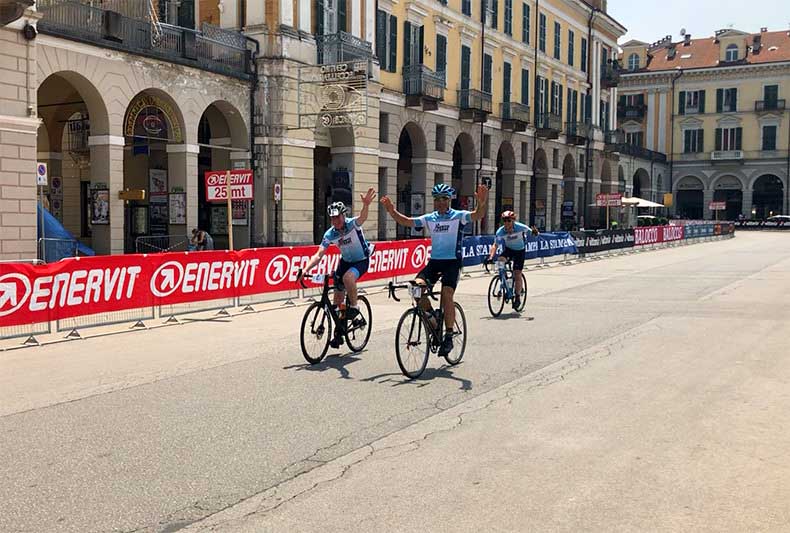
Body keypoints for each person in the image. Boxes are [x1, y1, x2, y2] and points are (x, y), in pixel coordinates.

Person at [381, 183, 488, 356]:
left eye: (444, 199)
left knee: (447, 294)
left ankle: (449, 335)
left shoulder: (458, 216)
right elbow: (407, 222)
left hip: (452, 263)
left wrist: (482, 203)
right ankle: (432, 316)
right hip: (435, 262)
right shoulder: (431, 218)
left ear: (449, 200)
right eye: (437, 199)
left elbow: (477, 215)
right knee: (416, 288)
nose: (440, 203)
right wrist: (392, 211)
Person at [298, 188, 377, 348]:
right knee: (337, 300)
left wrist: (366, 205)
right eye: (333, 218)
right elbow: (319, 254)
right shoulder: (330, 234)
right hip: (345, 261)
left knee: (348, 278)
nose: (336, 221)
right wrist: (305, 269)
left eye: (338, 217)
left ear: (344, 215)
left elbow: (362, 217)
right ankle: (339, 333)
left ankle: (354, 307)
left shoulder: (351, 224)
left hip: (361, 260)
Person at [486, 211, 538, 311]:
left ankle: (517, 296)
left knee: (517, 273)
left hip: (520, 251)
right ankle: (505, 280)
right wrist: (490, 257)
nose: (506, 223)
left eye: (509, 220)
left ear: (513, 221)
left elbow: (533, 233)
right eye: (504, 220)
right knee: (500, 260)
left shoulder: (520, 227)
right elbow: (495, 245)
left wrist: (535, 233)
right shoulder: (500, 231)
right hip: (509, 250)